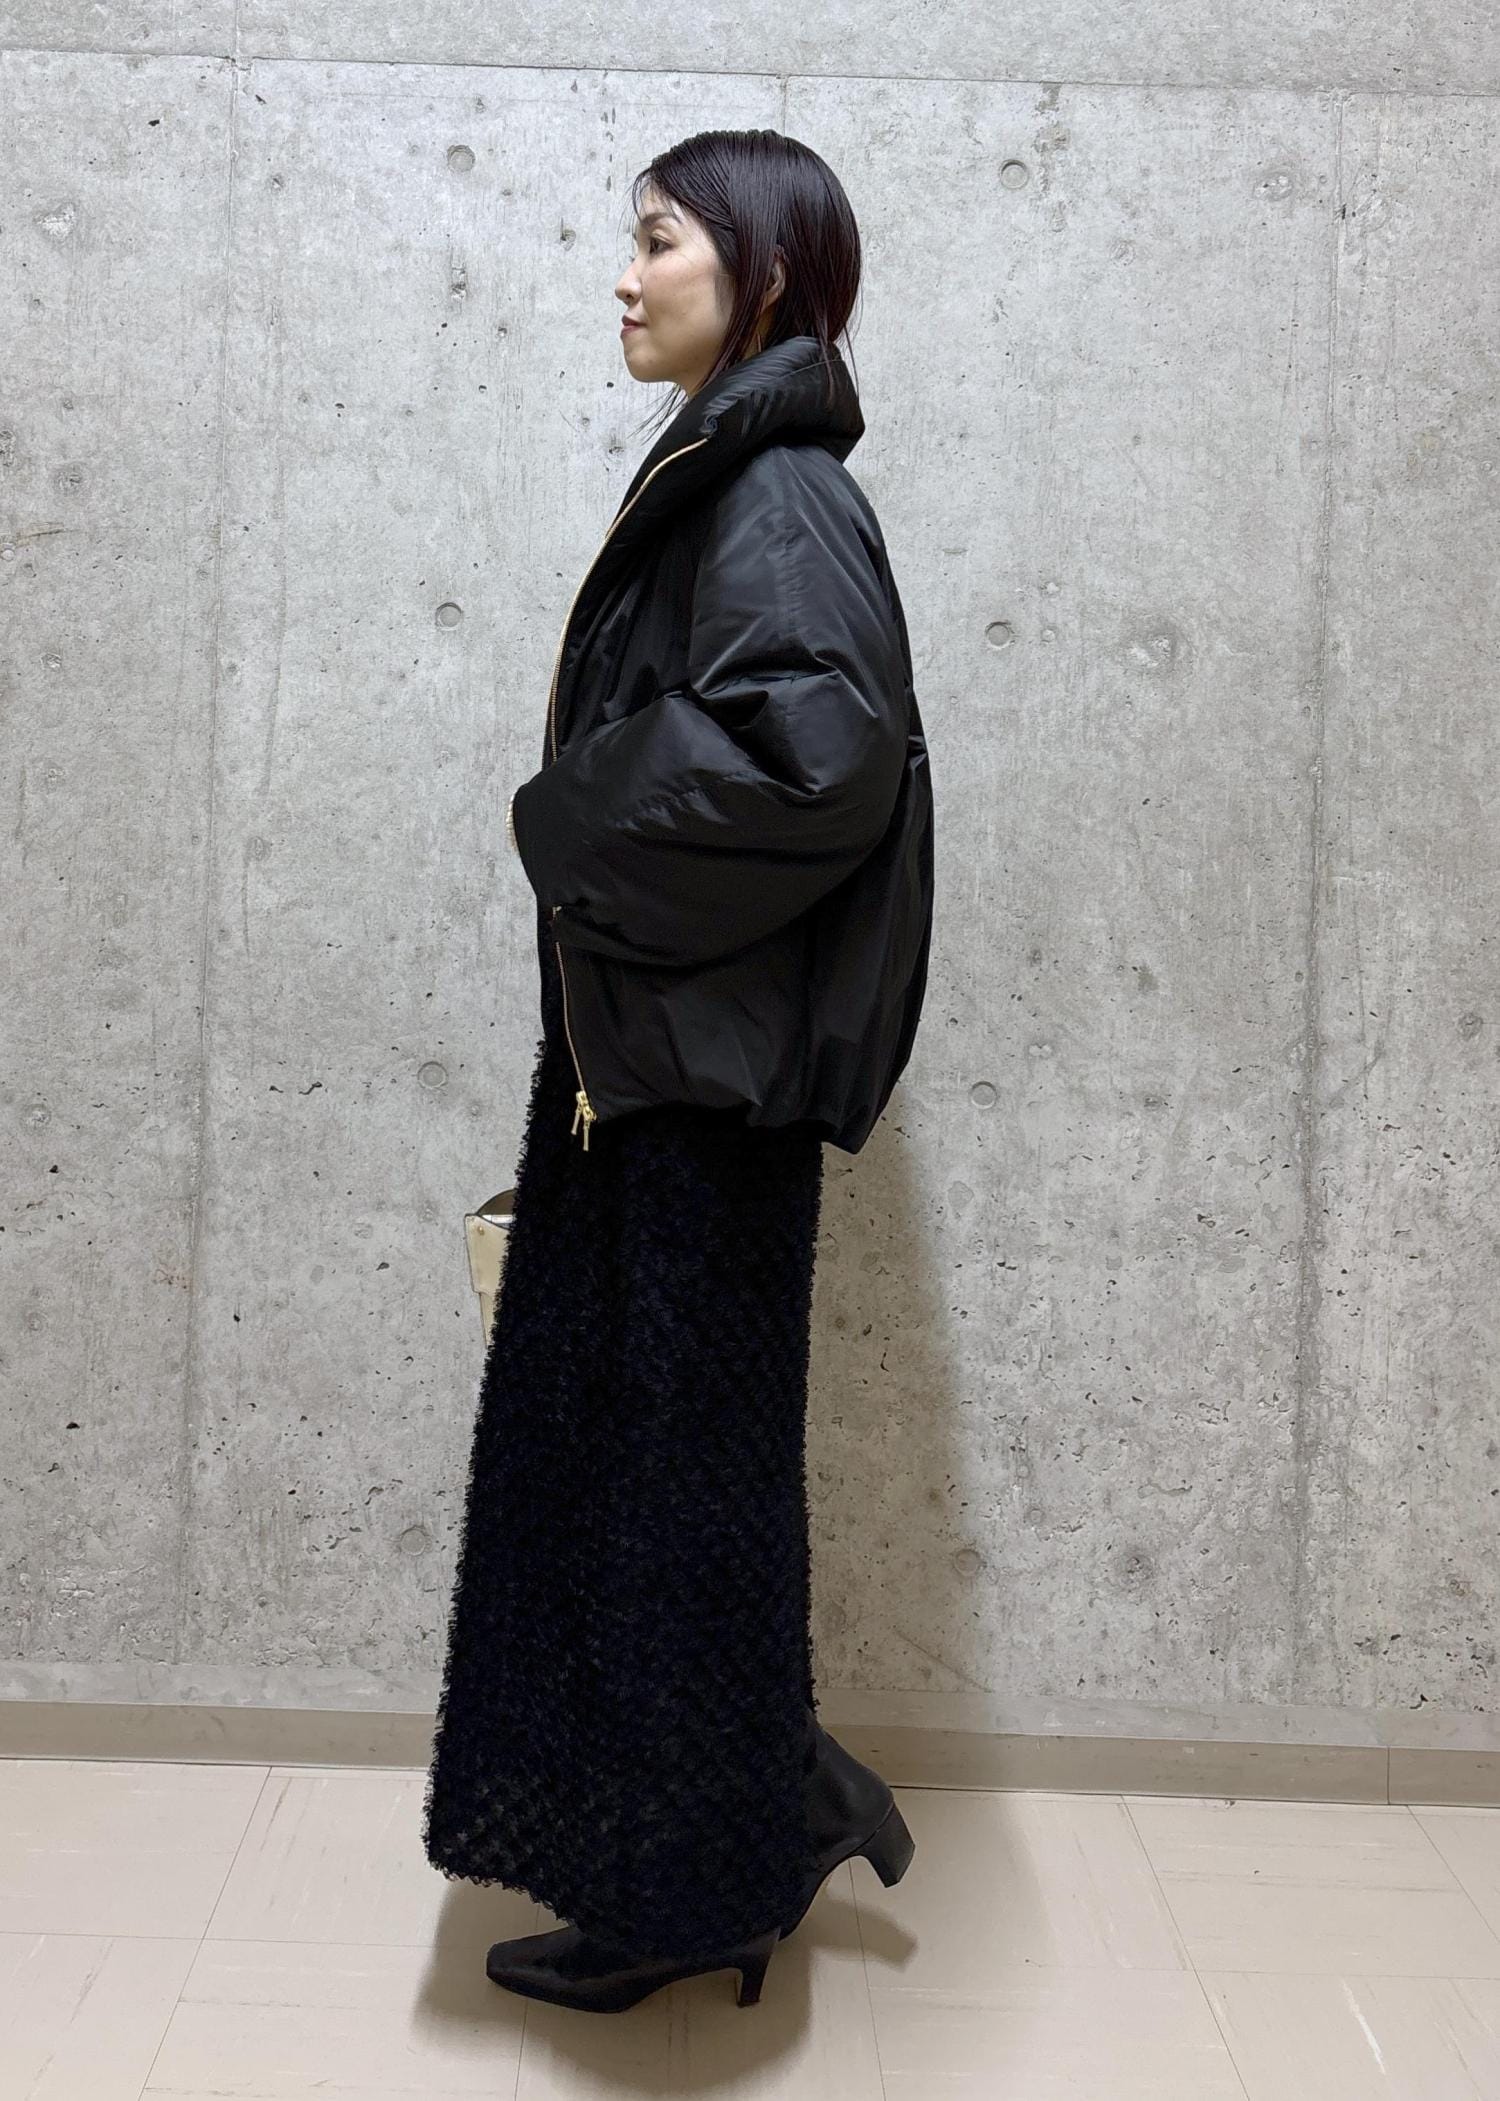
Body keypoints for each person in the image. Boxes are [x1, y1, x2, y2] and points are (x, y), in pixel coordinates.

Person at [420, 126, 934, 2015]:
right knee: (656, 1493)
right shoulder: (731, 470)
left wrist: (564, 812)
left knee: (672, 1507)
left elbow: (820, 758)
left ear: (763, 273)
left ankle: (703, 1884)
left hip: (699, 1101)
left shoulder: (778, 490)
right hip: (651, 1075)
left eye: (657, 241)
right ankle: (744, 1821)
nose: (624, 277)